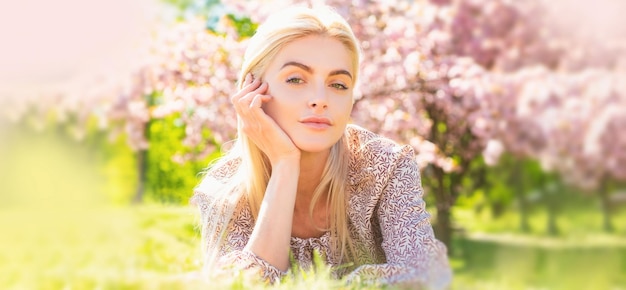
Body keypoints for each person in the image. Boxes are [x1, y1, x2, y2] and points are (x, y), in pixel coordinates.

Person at [191, 4, 452, 289]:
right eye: (295, 79)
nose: (319, 99)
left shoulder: (385, 167)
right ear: (251, 92)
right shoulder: (225, 190)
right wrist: (285, 164)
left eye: (338, 84)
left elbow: (425, 277)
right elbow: (242, 285)